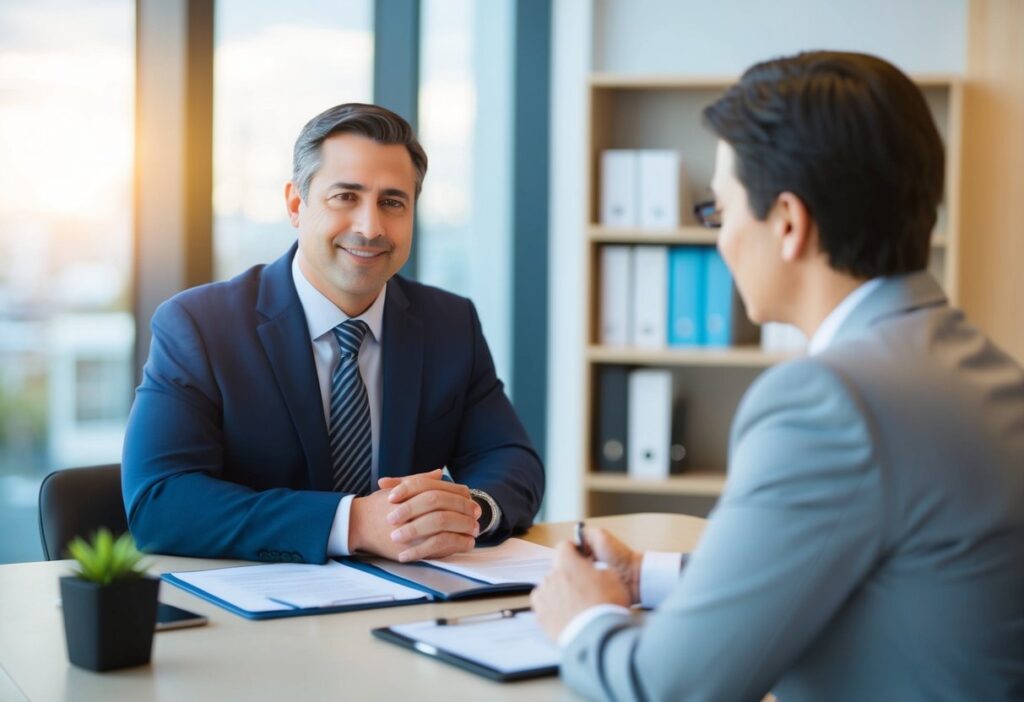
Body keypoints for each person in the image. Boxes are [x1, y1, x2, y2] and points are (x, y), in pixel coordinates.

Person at [532, 51, 1024, 701]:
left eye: (719, 211)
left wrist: (583, 618)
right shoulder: (981, 368)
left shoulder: (831, 401)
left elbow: (667, 691)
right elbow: (869, 569)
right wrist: (644, 574)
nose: (718, 239)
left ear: (788, 223)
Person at [122, 103, 544, 565]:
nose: (370, 227)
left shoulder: (450, 323)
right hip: (260, 610)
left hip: (411, 601)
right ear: (296, 205)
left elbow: (510, 458)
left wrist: (467, 511)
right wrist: (354, 522)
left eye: (392, 202)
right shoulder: (199, 325)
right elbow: (161, 501)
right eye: (345, 197)